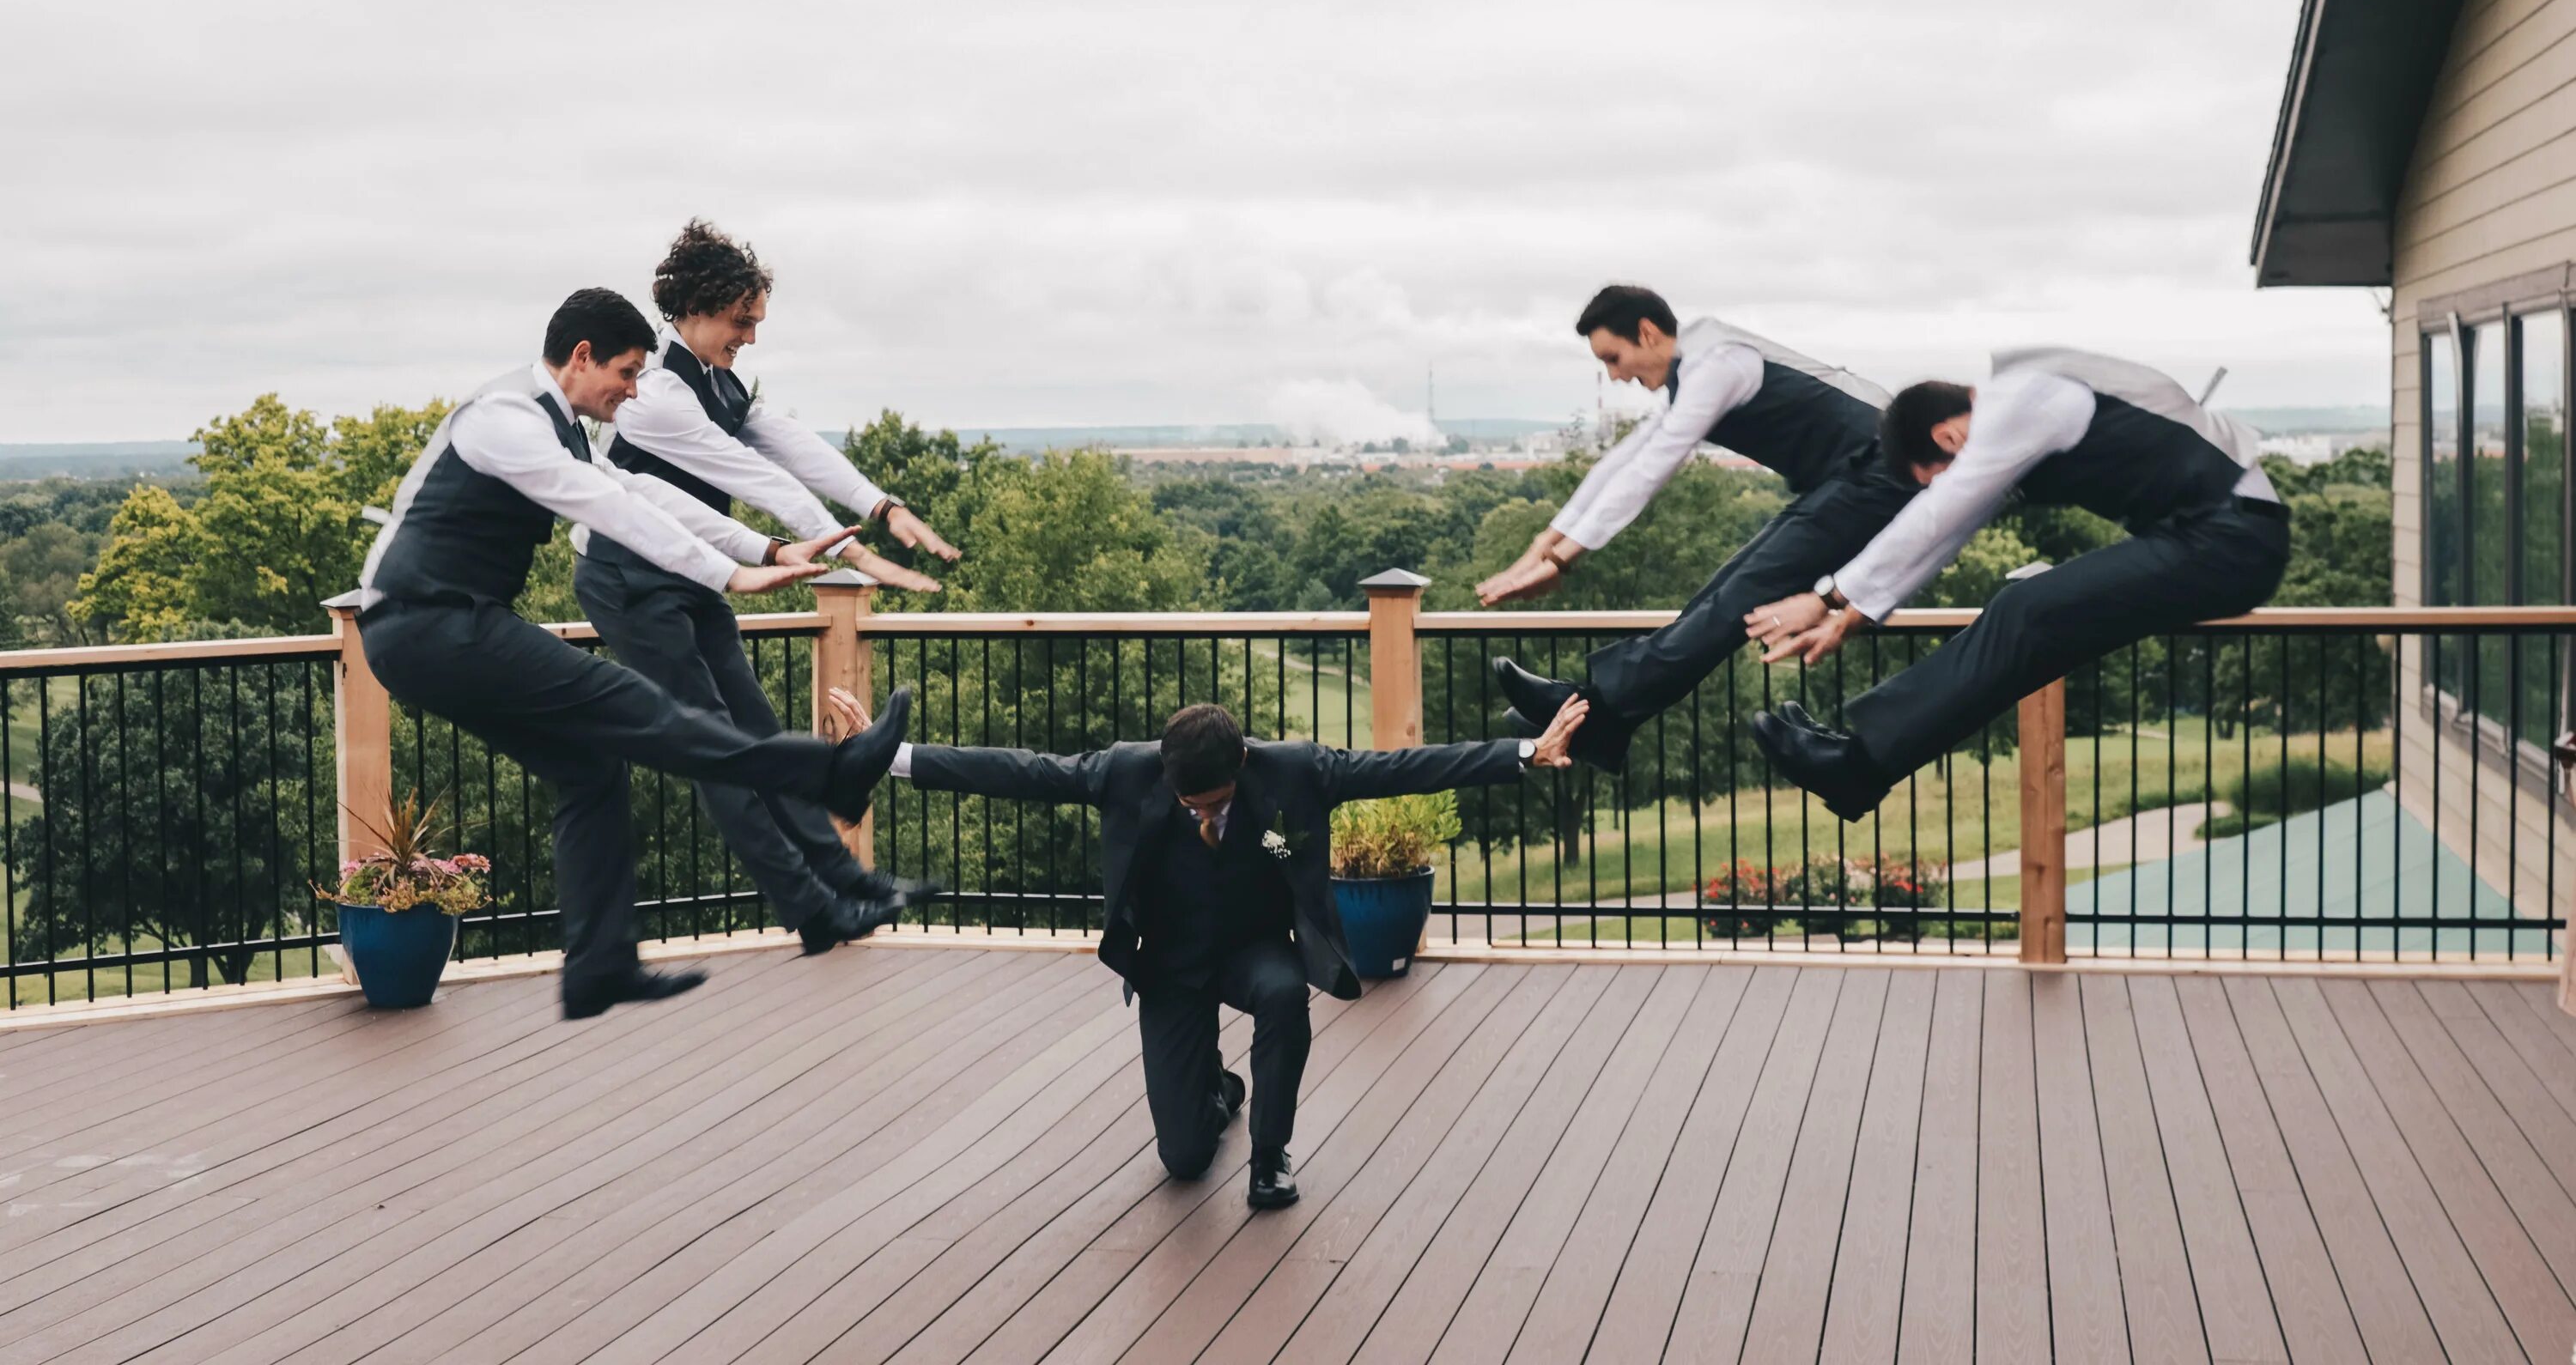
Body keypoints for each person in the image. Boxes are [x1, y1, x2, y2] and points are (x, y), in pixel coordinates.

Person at [354, 288, 912, 1019]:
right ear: (581, 357)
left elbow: (639, 492)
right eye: (625, 372)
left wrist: (763, 549)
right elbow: (604, 507)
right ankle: (828, 775)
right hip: (429, 625)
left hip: (442, 632)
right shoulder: (506, 421)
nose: (632, 389)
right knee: (643, 710)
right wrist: (730, 575)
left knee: (589, 769)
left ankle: (599, 967)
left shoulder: (561, 427)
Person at [823, 684, 1589, 1210]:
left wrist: (1524, 752)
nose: (1201, 814)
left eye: (1214, 804)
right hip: (1172, 964)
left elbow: (1405, 768)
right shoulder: (1126, 773)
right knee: (1184, 1161)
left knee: (1287, 995)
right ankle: (1220, 1098)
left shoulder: (1294, 772)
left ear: (1242, 767)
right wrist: (884, 754)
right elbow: (1017, 772)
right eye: (1190, 803)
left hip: (1255, 947)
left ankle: (1269, 1160)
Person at [575, 221, 957, 955]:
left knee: (755, 732)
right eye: (740, 320)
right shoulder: (656, 396)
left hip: (691, 573)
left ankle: (845, 880)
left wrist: (880, 505)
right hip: (628, 578)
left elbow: (789, 444)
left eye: (754, 322)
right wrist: (851, 551)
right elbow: (746, 474)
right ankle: (814, 904)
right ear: (693, 309)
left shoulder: (721, 383)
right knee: (716, 746)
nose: (749, 336)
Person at [1744, 346, 2290, 819]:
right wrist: (1854, 612)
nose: (1946, 481)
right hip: (2208, 536)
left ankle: (1857, 767)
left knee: (2027, 609)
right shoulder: (2020, 412)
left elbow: (1942, 513)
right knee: (2026, 610)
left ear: (1948, 435)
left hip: (2233, 540)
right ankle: (1858, 759)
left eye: (1937, 471)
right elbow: (1951, 530)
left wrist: (1826, 597)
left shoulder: (2024, 399)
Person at [1477, 285, 1912, 772]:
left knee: (1737, 597)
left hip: (1880, 474)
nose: (1615, 375)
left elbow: (1654, 466)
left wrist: (1563, 558)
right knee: (1721, 592)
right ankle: (1603, 723)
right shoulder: (1698, 364)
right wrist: (1546, 541)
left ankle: (1593, 713)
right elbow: (1627, 457)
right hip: (1846, 482)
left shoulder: (1718, 364)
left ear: (1647, 333)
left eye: (1613, 358)